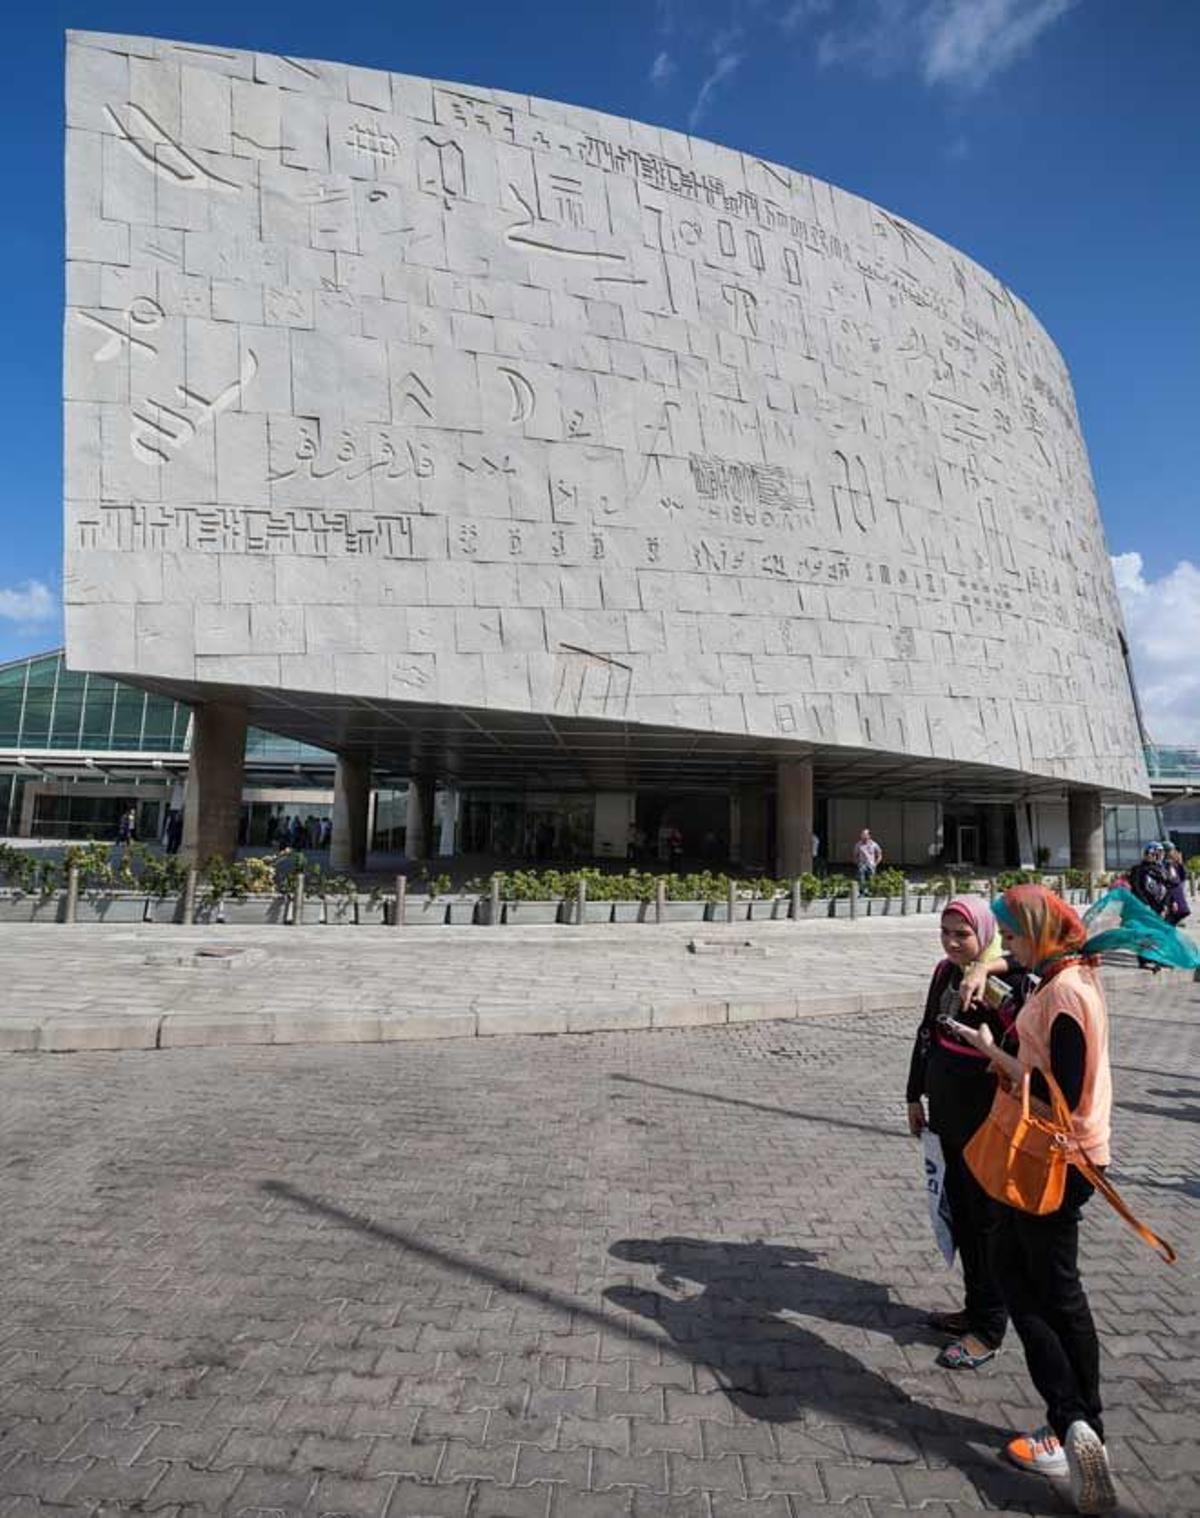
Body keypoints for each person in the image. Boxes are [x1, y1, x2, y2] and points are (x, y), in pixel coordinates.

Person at [950, 884, 1116, 1515]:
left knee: (1042, 1288)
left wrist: (995, 1054)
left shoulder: (1065, 993)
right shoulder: (1072, 975)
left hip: (1057, 1158)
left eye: (1013, 934)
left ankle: (1075, 1424)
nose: (1007, 945)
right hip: (1071, 1155)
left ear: (1041, 931)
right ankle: (1076, 1423)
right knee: (1041, 1282)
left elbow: (1061, 1093)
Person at [906, 897, 1022, 1370]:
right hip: (946, 1119)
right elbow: (926, 1035)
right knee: (963, 1220)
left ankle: (989, 1330)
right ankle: (973, 1311)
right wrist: (914, 1095)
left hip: (987, 1124)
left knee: (987, 1224)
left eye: (963, 934)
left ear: (985, 933)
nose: (953, 942)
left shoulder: (1004, 983)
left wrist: (989, 966)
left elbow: (1021, 1047)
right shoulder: (943, 973)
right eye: (946, 932)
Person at [1127, 842, 1169, 918]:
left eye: (1160, 854)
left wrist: (1165, 904)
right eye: (1155, 854)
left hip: (1159, 906)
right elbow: (1136, 888)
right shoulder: (1138, 869)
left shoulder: (1161, 870)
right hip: (1144, 906)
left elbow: (1167, 887)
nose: (1159, 857)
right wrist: (1145, 904)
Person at [1163, 846, 1191, 925]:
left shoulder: (1174, 865)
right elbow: (1171, 883)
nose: (1175, 853)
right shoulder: (1166, 865)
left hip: (1178, 900)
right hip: (1171, 900)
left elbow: (1183, 877)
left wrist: (1180, 863)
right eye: (1173, 851)